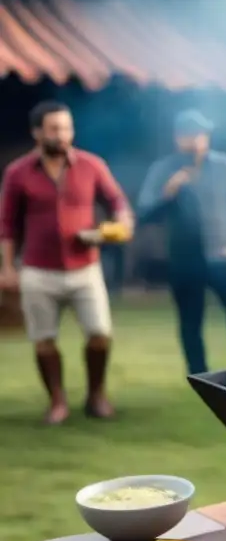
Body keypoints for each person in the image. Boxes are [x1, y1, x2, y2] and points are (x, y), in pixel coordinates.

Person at [0, 100, 133, 424]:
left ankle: (96, 395)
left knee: (100, 333)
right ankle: (57, 401)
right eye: (55, 129)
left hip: (85, 267)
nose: (63, 135)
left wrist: (122, 222)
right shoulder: (17, 173)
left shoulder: (92, 165)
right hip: (37, 270)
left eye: (67, 128)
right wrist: (6, 268)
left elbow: (117, 202)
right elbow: (6, 224)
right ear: (37, 133)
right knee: (44, 340)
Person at [137, 110, 226, 375]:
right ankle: (199, 375)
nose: (197, 140)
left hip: (225, 257)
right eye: (191, 135)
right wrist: (167, 193)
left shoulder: (225, 165)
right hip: (183, 259)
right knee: (190, 322)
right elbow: (144, 213)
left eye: (202, 134)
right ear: (178, 138)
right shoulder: (163, 170)